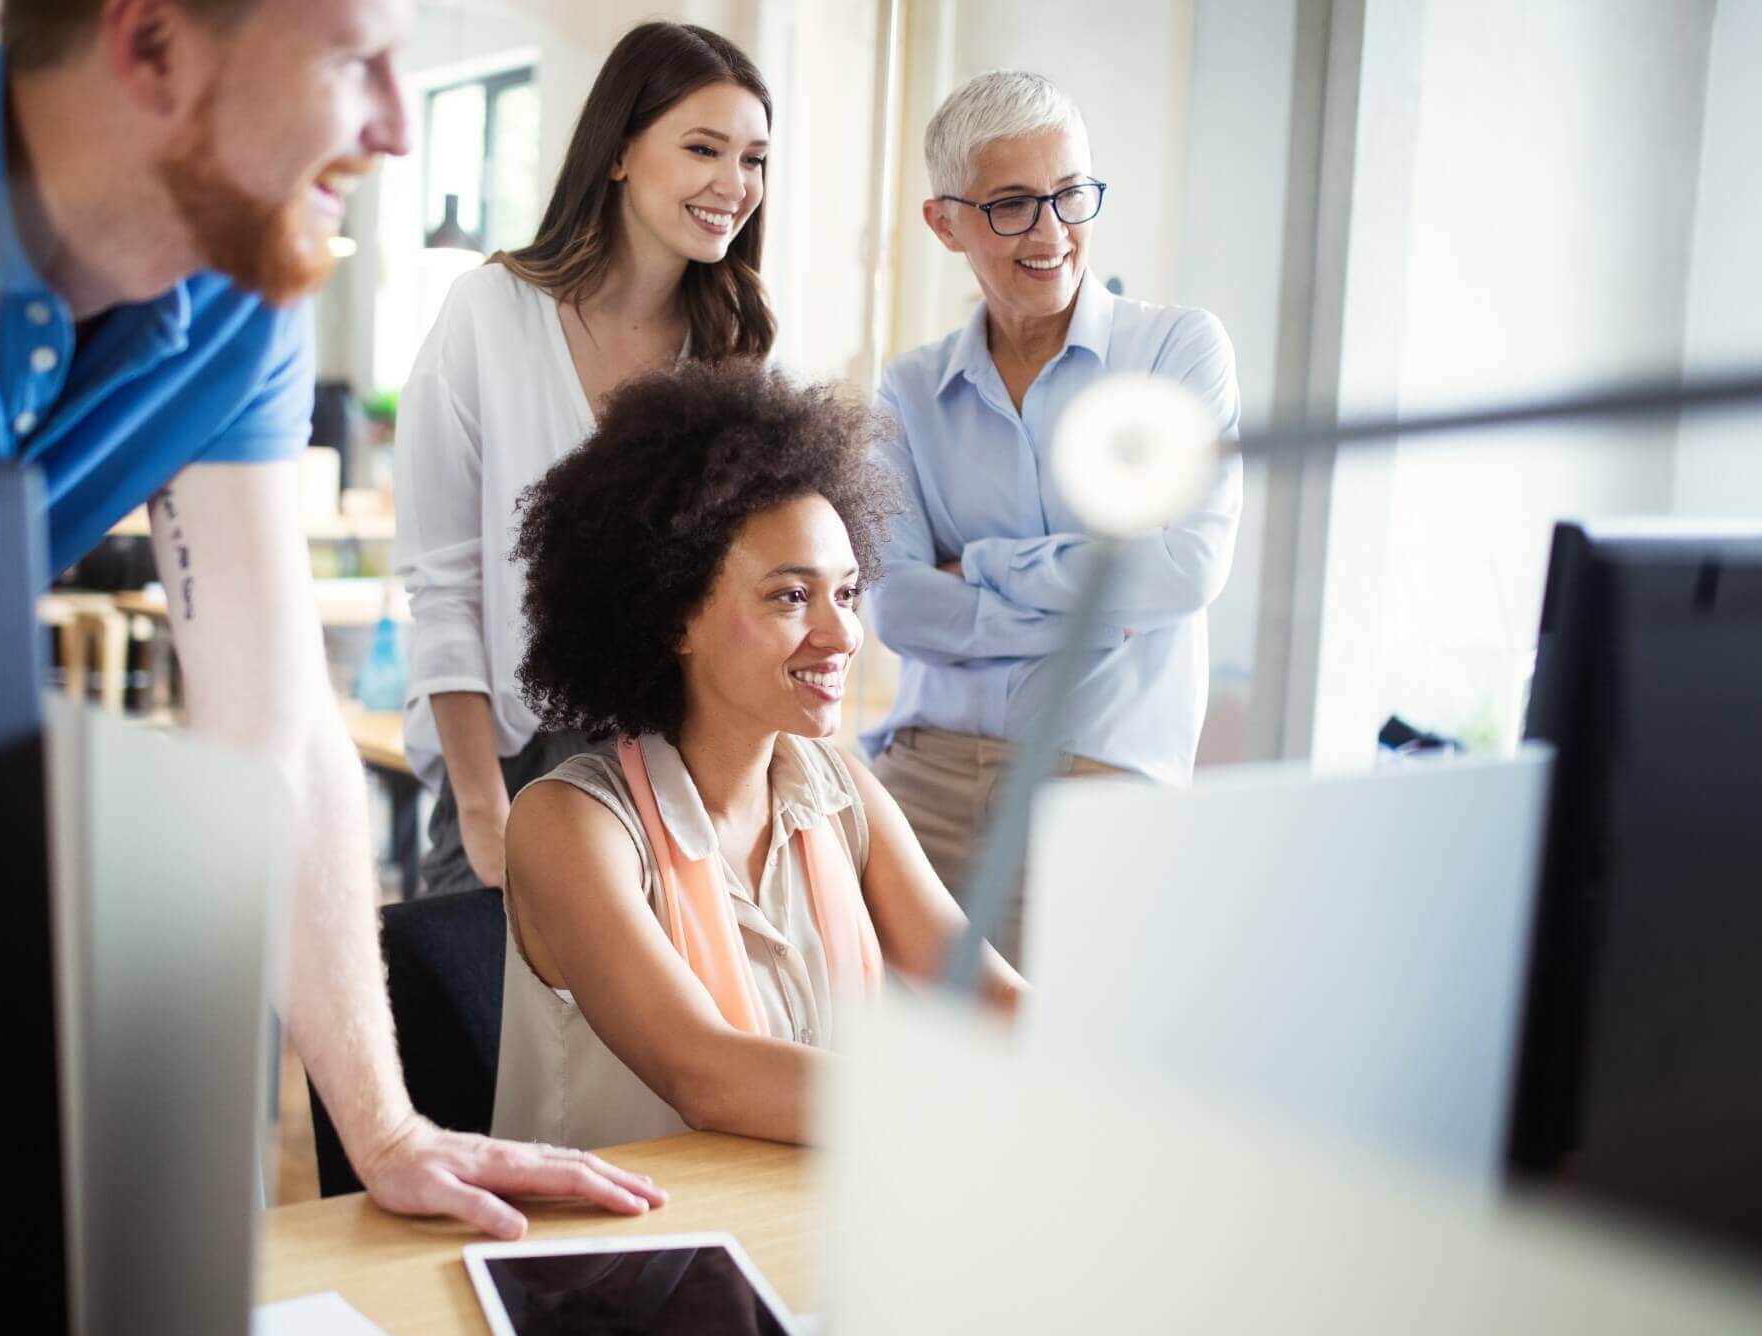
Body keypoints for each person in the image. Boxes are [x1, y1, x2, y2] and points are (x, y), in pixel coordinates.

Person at [0, 0, 662, 1239]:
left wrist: (387, 1125)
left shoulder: (244, 303)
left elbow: (276, 721)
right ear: (149, 47)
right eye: (356, 63)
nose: (400, 130)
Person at [494, 362, 1026, 1151]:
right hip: (617, 1261)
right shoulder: (569, 825)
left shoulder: (844, 792)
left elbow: (990, 998)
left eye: (845, 593)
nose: (843, 633)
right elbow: (706, 1072)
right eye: (790, 595)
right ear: (672, 615)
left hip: (803, 1226)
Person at [862, 71, 1243, 965]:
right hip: (925, 772)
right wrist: (1098, 612)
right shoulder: (909, 390)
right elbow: (900, 611)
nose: (1051, 232)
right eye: (1011, 205)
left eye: (1071, 193)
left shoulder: (1176, 351)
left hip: (1099, 783)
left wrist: (982, 567)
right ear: (944, 221)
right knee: (891, 1073)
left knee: (1064, 1079)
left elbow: (1184, 570)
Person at [395, 20, 775, 895]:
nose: (734, 183)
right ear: (619, 152)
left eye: (753, 158)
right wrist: (486, 808)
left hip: (673, 775)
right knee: (479, 1023)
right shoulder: (488, 315)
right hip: (508, 770)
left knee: (644, 1036)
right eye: (703, 148)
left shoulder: (737, 353)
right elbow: (444, 589)